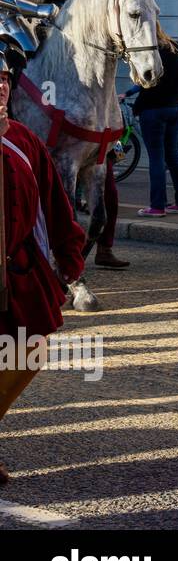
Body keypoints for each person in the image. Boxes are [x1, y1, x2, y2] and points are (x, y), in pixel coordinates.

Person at [0, 59, 86, 486]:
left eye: (3, 80)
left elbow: (54, 201)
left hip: (20, 269)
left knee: (28, 351)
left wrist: (69, 257)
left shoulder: (23, 139)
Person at [133, 28, 178, 217]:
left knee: (156, 158)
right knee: (173, 154)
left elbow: (146, 84)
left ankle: (157, 206)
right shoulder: (176, 48)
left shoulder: (151, 51)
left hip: (154, 110)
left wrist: (136, 107)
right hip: (176, 107)